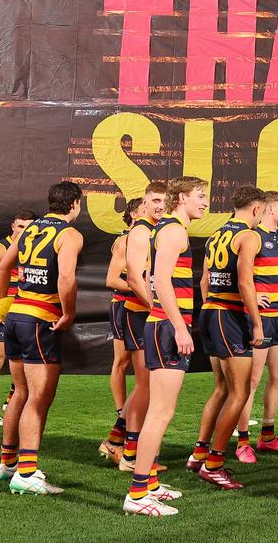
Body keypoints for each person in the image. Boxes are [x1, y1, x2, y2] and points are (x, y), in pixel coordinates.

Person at [122, 176, 208, 516]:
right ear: (182, 197)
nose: (204, 202)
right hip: (168, 329)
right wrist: (178, 326)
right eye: (200, 196)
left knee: (159, 411)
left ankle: (149, 485)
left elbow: (148, 279)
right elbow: (159, 281)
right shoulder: (175, 231)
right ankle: (138, 493)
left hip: (161, 325)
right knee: (160, 412)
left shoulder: (166, 229)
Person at [0, 182, 84, 496]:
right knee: (38, 396)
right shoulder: (69, 234)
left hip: (17, 316)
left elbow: (3, 267)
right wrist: (69, 313)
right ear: (75, 204)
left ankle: (7, 462)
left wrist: (1, 303)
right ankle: (27, 471)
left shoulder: (28, 230)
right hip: (40, 319)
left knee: (20, 391)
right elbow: (67, 277)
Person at [187, 186, 267, 489]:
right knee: (240, 391)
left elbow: (205, 280)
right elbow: (245, 281)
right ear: (256, 210)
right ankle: (215, 463)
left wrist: (214, 303)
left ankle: (199, 454)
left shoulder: (216, 234)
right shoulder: (249, 236)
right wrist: (256, 324)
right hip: (227, 317)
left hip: (210, 311)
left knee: (221, 388)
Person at [235, 190, 278, 460]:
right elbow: (239, 276)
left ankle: (268, 436)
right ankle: (242, 442)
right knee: (252, 380)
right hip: (259, 318)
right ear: (269, 210)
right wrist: (248, 299)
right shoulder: (253, 236)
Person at [116, 182, 168, 472]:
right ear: (144, 203)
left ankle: (125, 447)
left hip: (148, 312)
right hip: (140, 313)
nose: (160, 205)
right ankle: (130, 454)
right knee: (145, 385)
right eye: (155, 200)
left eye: (164, 200)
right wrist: (156, 305)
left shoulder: (158, 230)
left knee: (149, 386)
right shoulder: (140, 231)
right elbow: (134, 278)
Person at [0, 210, 34, 427]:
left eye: (28, 227)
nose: (24, 231)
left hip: (23, 311)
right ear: (13, 226)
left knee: (22, 359)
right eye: (20, 226)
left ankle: (11, 400)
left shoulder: (32, 249)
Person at [97, 197, 141, 464]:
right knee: (123, 362)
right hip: (124, 304)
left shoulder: (146, 238)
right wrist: (140, 288)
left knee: (138, 368)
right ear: (135, 213)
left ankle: (123, 426)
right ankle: (121, 419)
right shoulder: (125, 240)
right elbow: (112, 279)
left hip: (136, 305)